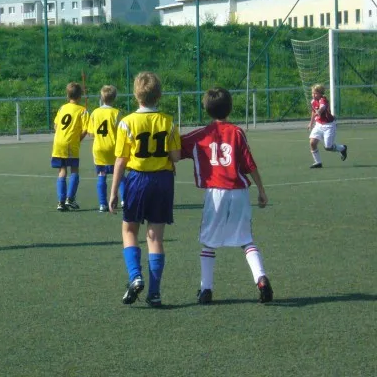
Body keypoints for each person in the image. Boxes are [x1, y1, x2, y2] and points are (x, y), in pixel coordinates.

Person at [180, 87, 273, 305]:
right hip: (239, 191)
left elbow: (177, 145)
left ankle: (206, 289)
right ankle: (260, 278)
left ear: (206, 109)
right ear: (230, 107)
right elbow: (250, 164)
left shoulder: (201, 134)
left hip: (216, 193)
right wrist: (261, 190)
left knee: (209, 244)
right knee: (246, 240)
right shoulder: (237, 132)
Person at [109, 72, 180, 308]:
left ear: (136, 95)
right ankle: (155, 292)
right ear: (159, 95)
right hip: (163, 180)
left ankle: (135, 276)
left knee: (129, 229)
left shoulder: (127, 122)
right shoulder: (168, 121)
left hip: (137, 179)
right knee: (155, 237)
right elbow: (176, 156)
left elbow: (121, 160)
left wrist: (113, 192)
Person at [51, 82, 89, 212]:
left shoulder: (62, 108)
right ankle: (70, 199)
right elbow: (86, 129)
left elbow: (56, 126)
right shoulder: (82, 110)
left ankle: (61, 202)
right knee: (74, 170)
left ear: (67, 96)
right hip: (71, 143)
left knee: (62, 171)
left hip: (58, 143)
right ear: (80, 96)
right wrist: (78, 140)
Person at [87, 85, 125, 212]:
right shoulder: (116, 113)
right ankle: (124, 200)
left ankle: (102, 204)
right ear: (114, 98)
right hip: (113, 148)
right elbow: (122, 131)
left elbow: (91, 133)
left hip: (99, 148)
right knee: (120, 174)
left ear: (101, 98)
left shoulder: (94, 113)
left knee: (101, 175)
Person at [308, 83, 347, 169]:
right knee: (312, 142)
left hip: (329, 125)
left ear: (320, 93)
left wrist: (319, 111)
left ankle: (342, 148)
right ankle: (318, 162)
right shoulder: (313, 101)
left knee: (328, 147)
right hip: (318, 125)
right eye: (312, 93)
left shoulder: (323, 100)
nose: (313, 95)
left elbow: (322, 107)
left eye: (315, 93)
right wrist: (311, 123)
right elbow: (313, 112)